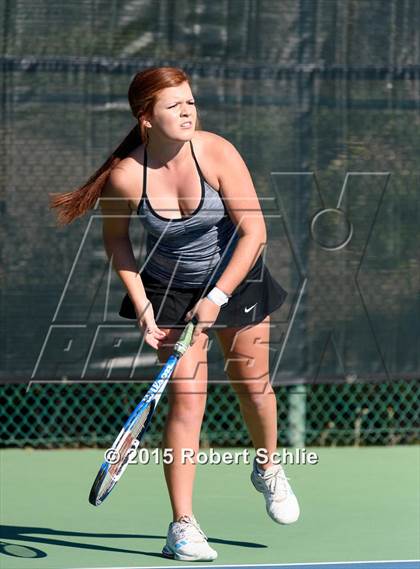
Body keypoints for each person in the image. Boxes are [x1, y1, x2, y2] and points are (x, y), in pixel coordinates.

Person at [50, 66, 300, 562]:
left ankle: (268, 467)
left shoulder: (216, 152)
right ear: (146, 117)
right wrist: (143, 305)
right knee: (187, 403)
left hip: (237, 276)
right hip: (168, 289)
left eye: (190, 101)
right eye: (173, 105)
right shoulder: (126, 177)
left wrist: (218, 298)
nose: (187, 111)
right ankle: (182, 526)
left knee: (255, 387)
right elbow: (117, 243)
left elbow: (255, 233)